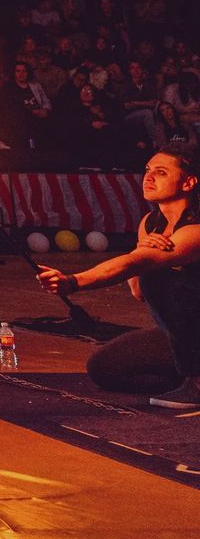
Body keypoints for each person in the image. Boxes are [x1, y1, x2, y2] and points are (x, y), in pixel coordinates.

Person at [36, 145, 200, 411]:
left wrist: (73, 281)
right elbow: (138, 291)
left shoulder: (195, 228)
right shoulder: (150, 223)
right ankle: (185, 374)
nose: (148, 178)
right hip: (184, 336)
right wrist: (141, 248)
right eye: (147, 170)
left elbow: (135, 265)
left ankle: (197, 384)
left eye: (160, 172)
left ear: (189, 182)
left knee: (155, 275)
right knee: (105, 368)